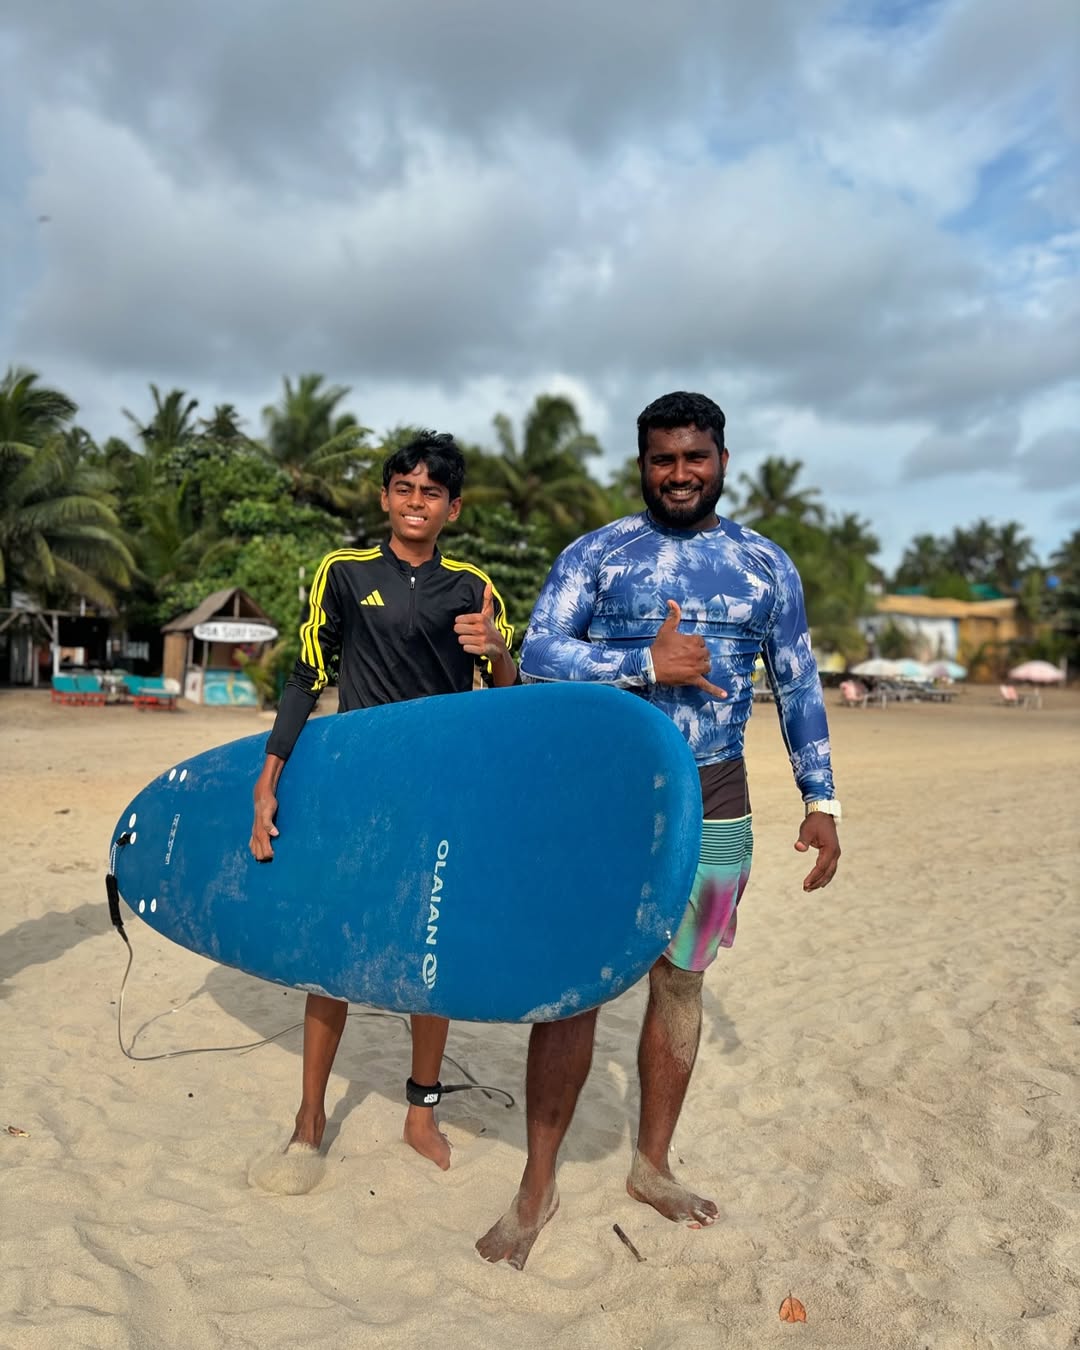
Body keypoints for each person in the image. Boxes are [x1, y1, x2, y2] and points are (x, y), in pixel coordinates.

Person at [477, 391, 841, 1268]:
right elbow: (538, 654)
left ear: (722, 460)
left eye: (694, 457)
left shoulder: (764, 566)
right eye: (663, 459)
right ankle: (536, 1185)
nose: (679, 474)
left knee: (682, 981)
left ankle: (652, 1165)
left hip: (717, 795)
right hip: (604, 795)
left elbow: (797, 682)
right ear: (642, 464)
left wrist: (822, 801)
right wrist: (646, 660)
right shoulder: (598, 554)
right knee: (576, 986)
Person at [250, 431, 517, 1172]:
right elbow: (306, 677)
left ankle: (421, 1113)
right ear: (385, 497)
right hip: (358, 788)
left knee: (430, 950)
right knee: (333, 951)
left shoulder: (472, 586)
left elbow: (509, 696)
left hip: (439, 792)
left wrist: (497, 650)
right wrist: (269, 778)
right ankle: (309, 1116)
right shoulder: (343, 572)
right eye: (404, 488)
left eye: (432, 492)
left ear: (453, 508)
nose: (415, 502)